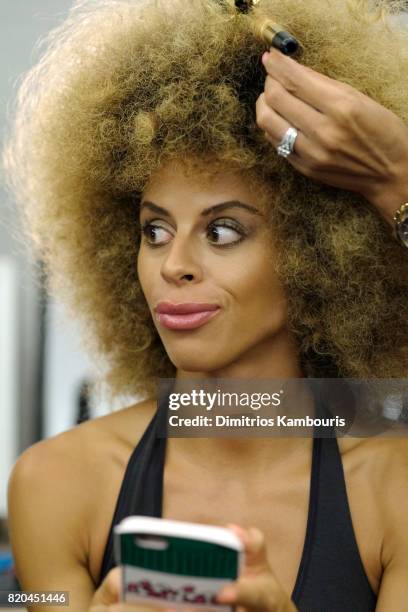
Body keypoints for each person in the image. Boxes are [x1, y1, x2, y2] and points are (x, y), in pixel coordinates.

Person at [4, 0, 408, 610]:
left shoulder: (393, 489)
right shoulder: (57, 483)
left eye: (222, 231)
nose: (173, 265)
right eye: (155, 231)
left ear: (318, 252)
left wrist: (395, 177)